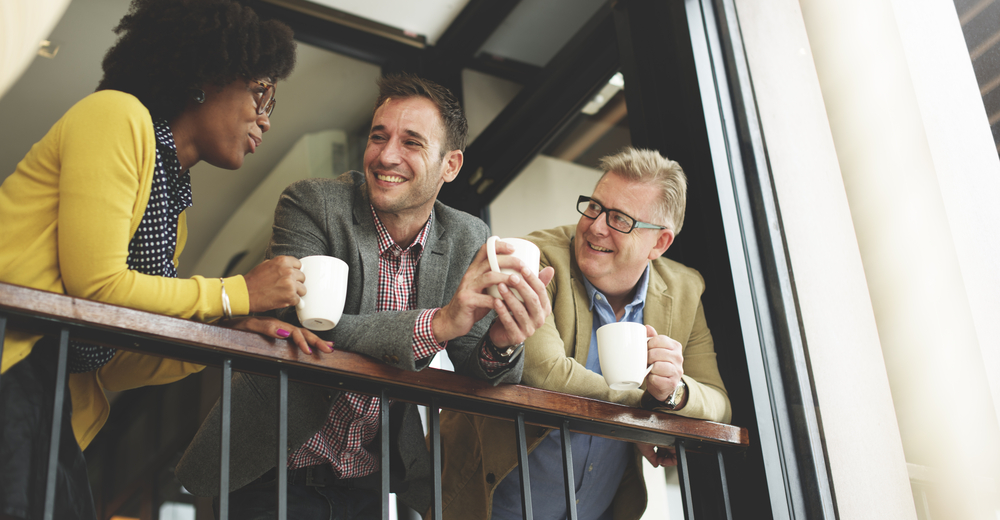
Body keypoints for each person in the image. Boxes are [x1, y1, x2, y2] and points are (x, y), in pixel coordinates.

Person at [175, 73, 555, 519]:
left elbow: (481, 366)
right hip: (273, 467)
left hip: (371, 484)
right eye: (379, 136)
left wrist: (505, 341)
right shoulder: (312, 203)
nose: (386, 155)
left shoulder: (468, 236)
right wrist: (437, 325)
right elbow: (303, 327)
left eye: (411, 142)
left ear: (450, 165)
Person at [0, 1, 320, 519]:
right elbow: (97, 287)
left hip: (52, 397)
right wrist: (236, 291)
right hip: (13, 366)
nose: (264, 118)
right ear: (207, 76)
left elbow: (114, 348)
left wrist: (226, 332)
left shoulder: (172, 199)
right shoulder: (116, 115)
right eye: (261, 91)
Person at [437, 148, 732, 520]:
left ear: (659, 243)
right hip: (486, 501)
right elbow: (545, 373)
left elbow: (717, 402)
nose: (595, 226)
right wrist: (646, 411)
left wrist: (673, 391)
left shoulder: (685, 290)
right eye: (594, 207)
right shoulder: (538, 257)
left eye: (620, 219)